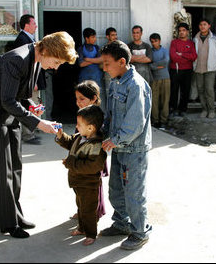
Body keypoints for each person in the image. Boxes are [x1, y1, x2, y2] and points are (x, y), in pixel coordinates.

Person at [0, 32, 78, 238]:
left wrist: (31, 106)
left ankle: (15, 214)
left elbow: (18, 93)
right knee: (2, 170)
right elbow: (7, 100)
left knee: (16, 166)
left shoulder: (36, 57)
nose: (56, 67)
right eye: (56, 62)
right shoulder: (17, 59)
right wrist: (39, 123)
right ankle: (8, 224)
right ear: (46, 50)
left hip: (8, 113)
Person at [100, 40, 152, 250]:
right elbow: (111, 114)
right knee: (116, 190)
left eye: (107, 63)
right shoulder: (116, 82)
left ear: (122, 62)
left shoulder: (135, 85)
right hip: (119, 147)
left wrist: (115, 139)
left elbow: (135, 123)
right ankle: (121, 223)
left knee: (133, 192)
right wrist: (102, 131)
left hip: (134, 149)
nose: (104, 68)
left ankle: (140, 231)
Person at [55, 104, 107, 246]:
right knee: (80, 206)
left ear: (90, 128)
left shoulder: (97, 146)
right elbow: (70, 141)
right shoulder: (80, 136)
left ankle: (91, 234)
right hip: (78, 182)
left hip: (89, 185)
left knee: (88, 210)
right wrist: (61, 136)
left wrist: (70, 163)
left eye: (79, 124)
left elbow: (92, 167)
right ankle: (82, 228)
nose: (76, 127)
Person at [69, 80, 108, 220]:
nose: (78, 102)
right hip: (81, 158)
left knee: (93, 188)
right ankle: (82, 210)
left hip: (91, 159)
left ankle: (94, 213)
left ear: (94, 99)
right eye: (76, 99)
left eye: (82, 99)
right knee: (80, 186)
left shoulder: (96, 118)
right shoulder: (83, 114)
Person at [13, 14, 46, 145]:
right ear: (26, 25)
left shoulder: (28, 38)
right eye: (33, 23)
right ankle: (28, 135)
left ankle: (30, 132)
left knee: (33, 106)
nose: (36, 26)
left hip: (31, 81)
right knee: (30, 106)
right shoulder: (22, 40)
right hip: (29, 82)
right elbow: (27, 64)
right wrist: (34, 82)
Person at [193, 18, 216, 118]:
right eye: (201, 24)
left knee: (209, 90)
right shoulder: (195, 38)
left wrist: (214, 63)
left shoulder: (215, 38)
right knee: (200, 90)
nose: (202, 26)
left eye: (205, 24)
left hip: (210, 69)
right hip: (198, 68)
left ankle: (211, 110)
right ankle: (204, 109)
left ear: (209, 26)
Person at [169, 22, 197, 117]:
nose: (181, 32)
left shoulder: (191, 43)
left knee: (185, 91)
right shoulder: (174, 42)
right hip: (175, 70)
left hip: (187, 70)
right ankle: (173, 109)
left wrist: (182, 54)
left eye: (183, 30)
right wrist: (186, 57)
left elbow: (194, 57)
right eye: (180, 31)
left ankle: (183, 109)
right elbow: (174, 57)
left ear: (187, 32)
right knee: (174, 90)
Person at [149, 33, 170, 129]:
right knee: (154, 100)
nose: (154, 43)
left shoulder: (164, 50)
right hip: (154, 79)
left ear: (160, 41)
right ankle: (155, 120)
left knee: (165, 100)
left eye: (155, 41)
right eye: (152, 42)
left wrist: (155, 65)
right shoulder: (150, 52)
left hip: (165, 78)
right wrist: (158, 66)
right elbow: (150, 66)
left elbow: (166, 61)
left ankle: (164, 120)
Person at [78, 28, 104, 104]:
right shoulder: (81, 49)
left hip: (96, 77)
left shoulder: (97, 48)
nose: (95, 39)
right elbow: (81, 64)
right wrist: (95, 60)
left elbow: (101, 60)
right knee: (84, 97)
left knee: (96, 98)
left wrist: (87, 59)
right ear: (86, 38)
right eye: (93, 37)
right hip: (84, 78)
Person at [101, 27, 118, 112]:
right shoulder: (104, 48)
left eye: (116, 35)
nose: (115, 37)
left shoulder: (120, 47)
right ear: (107, 37)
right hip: (108, 75)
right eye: (112, 35)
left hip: (119, 75)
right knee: (109, 95)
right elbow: (101, 63)